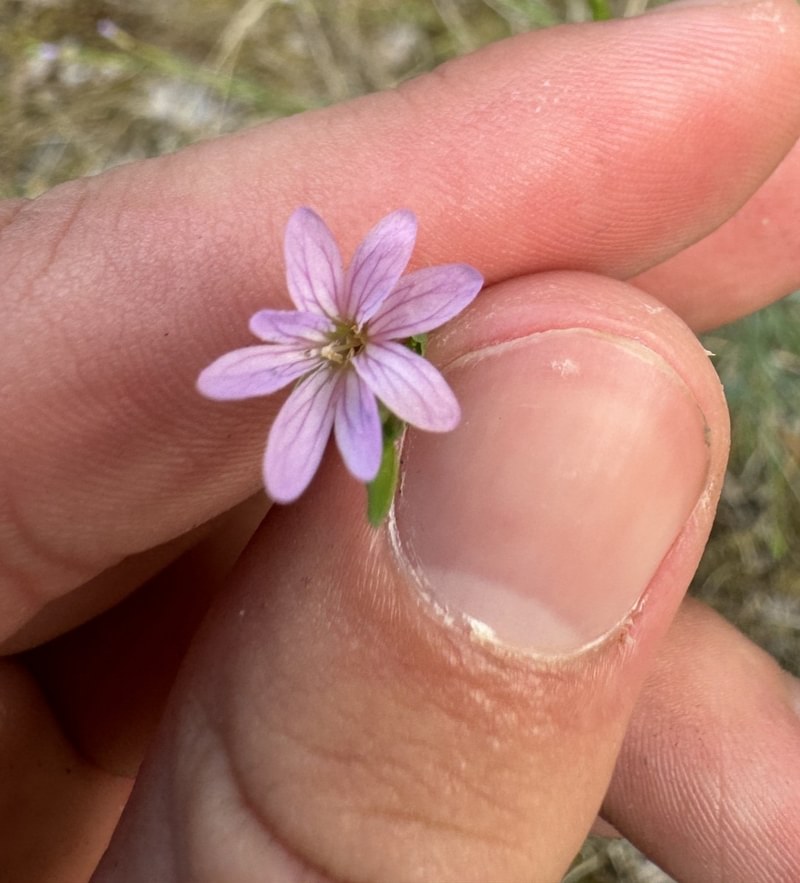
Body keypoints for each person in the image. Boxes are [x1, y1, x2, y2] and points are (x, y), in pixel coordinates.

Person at [2, 0, 800, 880]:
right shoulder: (340, 349)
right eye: (339, 340)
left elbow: (413, 295)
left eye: (348, 339)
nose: (342, 343)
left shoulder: (377, 336)